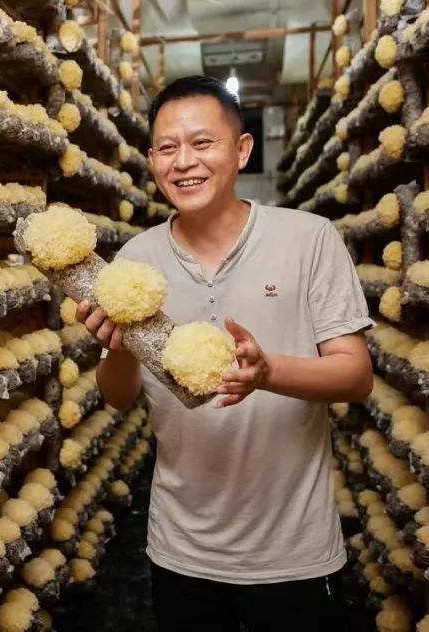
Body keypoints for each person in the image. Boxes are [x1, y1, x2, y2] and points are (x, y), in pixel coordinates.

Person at [76, 76, 374, 631]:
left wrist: (268, 372)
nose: (183, 162)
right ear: (151, 159)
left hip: (294, 548)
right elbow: (118, 398)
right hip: (182, 546)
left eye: (202, 143)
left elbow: (356, 376)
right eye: (167, 148)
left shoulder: (308, 239)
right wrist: (115, 348)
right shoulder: (136, 259)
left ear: (241, 150)